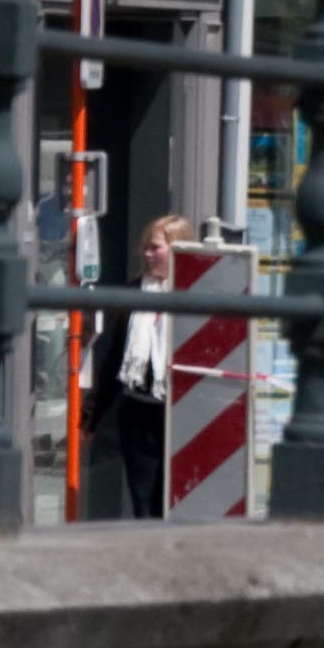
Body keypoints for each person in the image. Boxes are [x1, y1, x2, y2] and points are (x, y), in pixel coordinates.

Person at [86, 212, 196, 522]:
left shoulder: (195, 296)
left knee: (176, 504)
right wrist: (92, 418)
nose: (146, 254)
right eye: (145, 248)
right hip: (138, 414)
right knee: (144, 505)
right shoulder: (133, 294)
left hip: (181, 414)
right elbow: (113, 358)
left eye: (155, 247)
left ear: (177, 250)